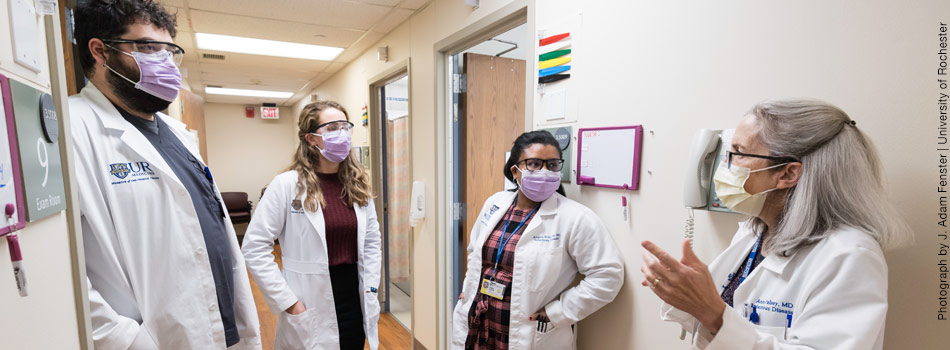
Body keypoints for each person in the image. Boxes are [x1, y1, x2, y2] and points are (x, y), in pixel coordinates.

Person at [641, 100, 910, 349]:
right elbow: (723, 322)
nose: (726, 165)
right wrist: (685, 293)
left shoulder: (848, 255)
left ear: (788, 173)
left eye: (739, 153)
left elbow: (722, 320)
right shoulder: (754, 232)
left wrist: (712, 313)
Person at [69, 1, 261, 348]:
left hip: (221, 326)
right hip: (155, 338)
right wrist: (128, 341)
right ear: (100, 51)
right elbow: (58, 269)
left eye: (170, 50)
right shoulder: (71, 130)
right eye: (147, 48)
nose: (166, 62)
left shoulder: (179, 134)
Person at [452, 131, 625, 350]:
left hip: (527, 334)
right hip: (479, 323)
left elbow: (608, 276)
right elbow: (474, 251)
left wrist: (558, 312)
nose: (544, 171)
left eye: (552, 165)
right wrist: (470, 286)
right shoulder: (495, 203)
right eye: (534, 164)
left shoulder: (576, 218)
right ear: (515, 171)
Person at [242, 101, 382, 350]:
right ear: (311, 139)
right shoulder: (286, 185)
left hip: (354, 297)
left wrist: (371, 287)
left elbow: (372, 242)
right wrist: (289, 302)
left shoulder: (358, 185)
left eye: (345, 126)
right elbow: (254, 247)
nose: (342, 133)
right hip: (308, 300)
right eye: (332, 127)